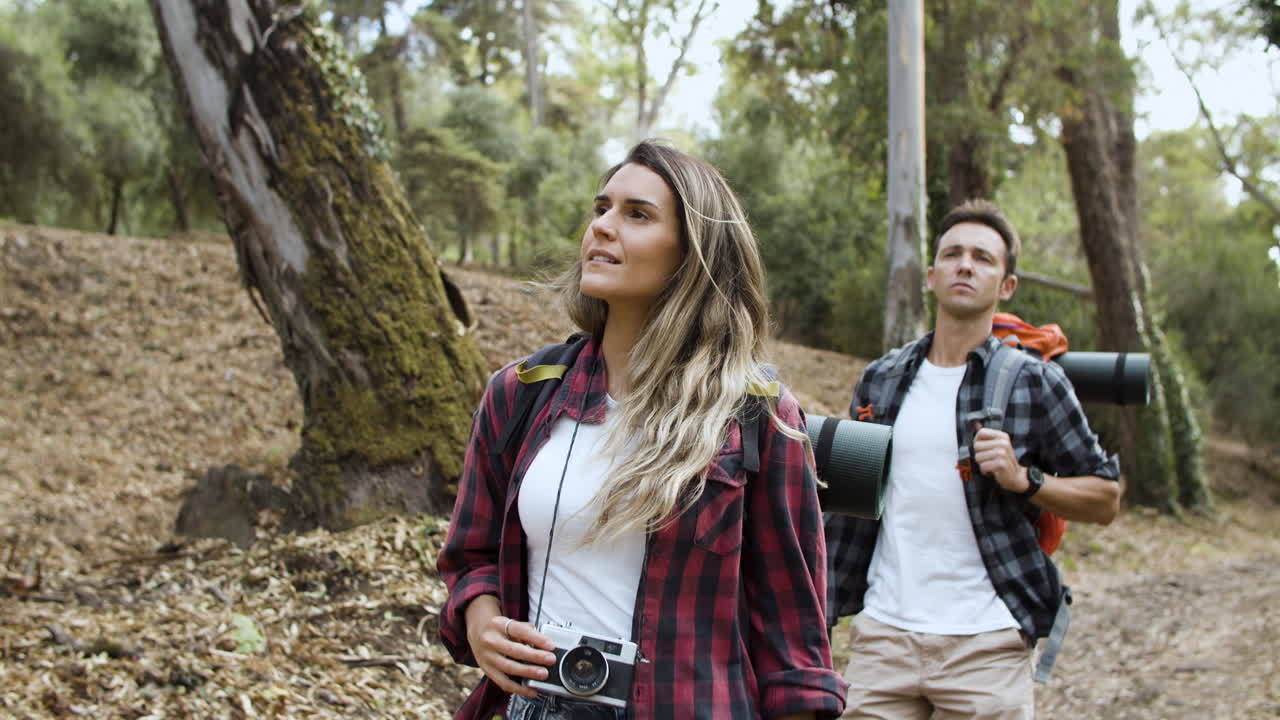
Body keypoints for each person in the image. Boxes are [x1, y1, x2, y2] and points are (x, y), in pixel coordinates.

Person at [438, 140, 848, 720]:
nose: (603, 226)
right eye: (601, 208)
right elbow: (469, 556)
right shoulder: (522, 393)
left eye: (637, 214)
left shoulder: (756, 417)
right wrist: (480, 622)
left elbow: (794, 649)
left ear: (692, 254)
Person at [825, 199, 1122, 719]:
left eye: (983, 258)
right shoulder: (881, 378)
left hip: (985, 647)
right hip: (882, 641)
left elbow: (1105, 498)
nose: (966, 264)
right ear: (932, 275)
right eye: (953, 254)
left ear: (1006, 285)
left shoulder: (1035, 381)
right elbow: (851, 511)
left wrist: (1025, 480)